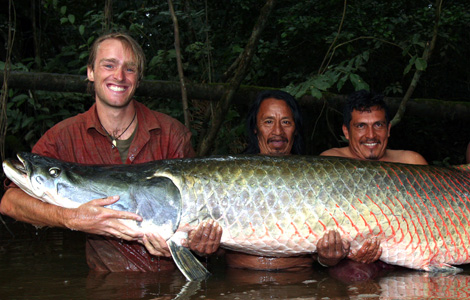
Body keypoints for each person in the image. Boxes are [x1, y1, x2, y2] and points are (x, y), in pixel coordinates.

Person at [0, 32, 221, 272]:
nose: (119, 76)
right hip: (106, 284)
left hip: (173, 281)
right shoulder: (64, 136)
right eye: (109, 65)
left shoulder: (172, 133)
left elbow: (203, 224)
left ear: (138, 79)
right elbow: (10, 203)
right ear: (90, 72)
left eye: (130, 69)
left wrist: (200, 244)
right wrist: (71, 218)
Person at [225, 90, 381, 271]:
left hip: (299, 283)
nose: (278, 131)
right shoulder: (232, 179)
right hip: (238, 283)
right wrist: (203, 250)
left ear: (296, 128)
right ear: (255, 127)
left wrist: (328, 258)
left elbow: (324, 254)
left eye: (286, 122)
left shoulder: (317, 180)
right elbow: (218, 250)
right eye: (268, 122)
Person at [320, 89, 428, 165]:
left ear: (388, 129)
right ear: (346, 131)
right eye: (361, 126)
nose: (371, 135)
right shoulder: (331, 162)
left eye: (378, 125)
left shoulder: (412, 162)